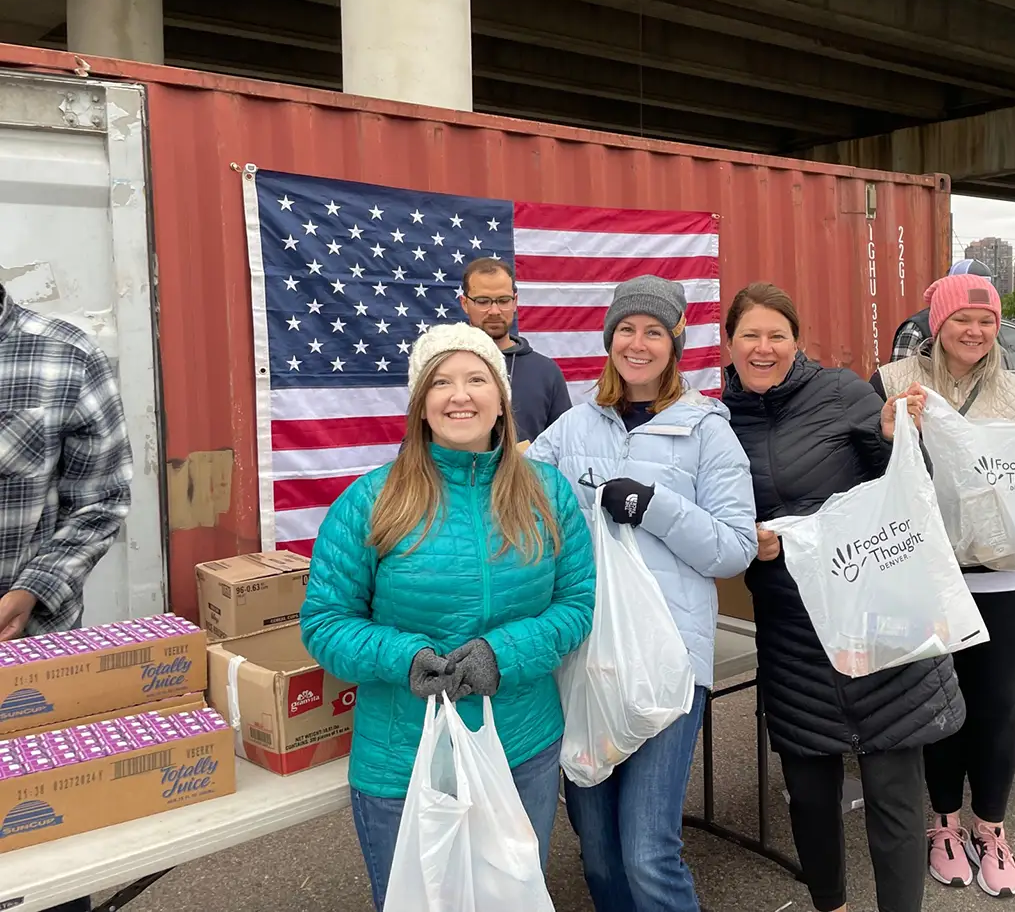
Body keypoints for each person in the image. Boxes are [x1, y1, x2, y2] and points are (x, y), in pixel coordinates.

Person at [300, 324, 595, 911]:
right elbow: (325, 622)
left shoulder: (548, 493)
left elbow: (576, 604)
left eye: (476, 379)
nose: (460, 395)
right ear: (420, 404)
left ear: (501, 399)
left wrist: (502, 655)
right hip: (403, 757)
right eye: (440, 382)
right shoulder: (371, 500)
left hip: (521, 746)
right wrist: (403, 657)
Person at [723, 282, 964, 912]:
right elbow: (710, 523)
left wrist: (889, 438)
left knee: (893, 790)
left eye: (777, 335)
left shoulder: (841, 392)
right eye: (750, 335)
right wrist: (747, 543)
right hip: (792, 629)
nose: (764, 347)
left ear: (797, 341)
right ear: (730, 343)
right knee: (808, 793)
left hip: (872, 611)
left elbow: (910, 487)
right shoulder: (716, 420)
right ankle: (831, 904)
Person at [527, 274, 757, 912]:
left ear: (673, 344)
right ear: (609, 339)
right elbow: (521, 504)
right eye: (626, 329)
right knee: (598, 850)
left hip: (669, 661)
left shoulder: (707, 431)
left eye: (653, 331)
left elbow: (735, 548)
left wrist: (655, 507)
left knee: (647, 851)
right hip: (589, 658)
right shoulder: (572, 428)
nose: (638, 343)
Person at [870, 274, 1015, 898]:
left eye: (987, 321)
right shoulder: (893, 383)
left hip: (1011, 577)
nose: (976, 331)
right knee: (938, 707)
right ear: (938, 325)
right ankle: (943, 823)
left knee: (997, 708)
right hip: (930, 572)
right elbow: (863, 472)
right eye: (962, 319)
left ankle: (991, 827)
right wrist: (883, 432)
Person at [0, 283, 134, 912]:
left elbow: (102, 499)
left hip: (25, 665)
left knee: (44, 861)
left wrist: (33, 589)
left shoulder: (64, 354)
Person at [459, 256, 571, 445]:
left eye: (503, 300)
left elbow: (565, 445)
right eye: (483, 301)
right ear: (464, 303)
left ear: (515, 301)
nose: (494, 311)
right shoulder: (444, 365)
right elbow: (418, 442)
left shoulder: (545, 371)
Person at [889, 257, 994, 361]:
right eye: (961, 320)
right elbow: (900, 371)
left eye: (985, 322)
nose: (975, 332)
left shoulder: (994, 332)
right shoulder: (917, 329)